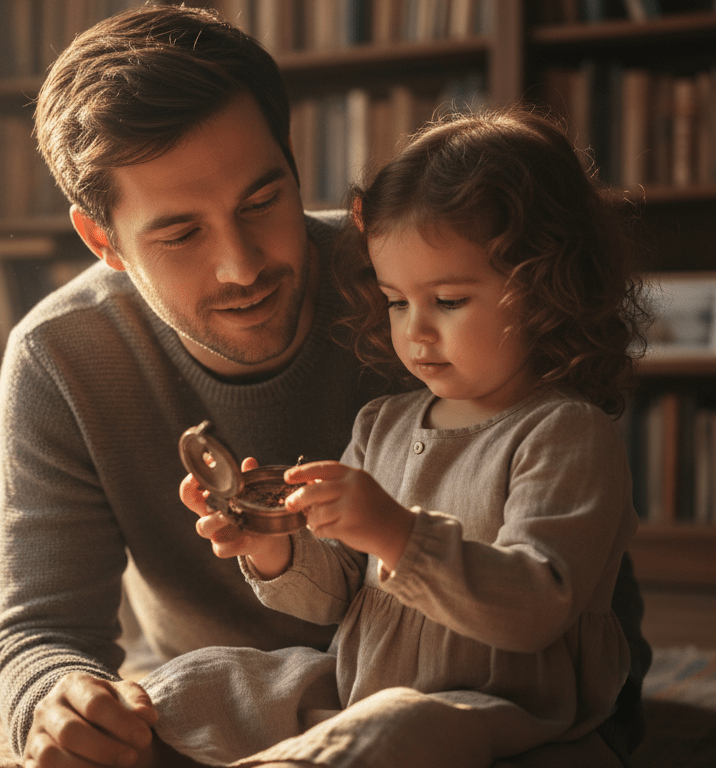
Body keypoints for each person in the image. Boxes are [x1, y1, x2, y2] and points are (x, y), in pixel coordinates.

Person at [0, 6, 651, 768]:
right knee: (172, 695)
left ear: (292, 157)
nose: (242, 266)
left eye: (261, 201)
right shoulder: (58, 356)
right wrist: (63, 706)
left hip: (480, 693)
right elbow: (40, 631)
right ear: (101, 239)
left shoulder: (414, 274)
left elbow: (578, 579)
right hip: (286, 690)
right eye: (181, 234)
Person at [140, 106, 651, 768]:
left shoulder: (566, 433)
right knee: (202, 682)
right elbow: (335, 598)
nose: (416, 331)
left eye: (449, 301)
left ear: (547, 289)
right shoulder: (381, 424)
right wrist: (273, 545)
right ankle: (126, 740)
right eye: (397, 301)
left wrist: (397, 533)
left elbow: (535, 610)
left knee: (391, 728)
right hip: (362, 684)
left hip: (499, 710)